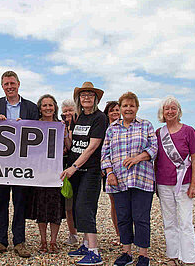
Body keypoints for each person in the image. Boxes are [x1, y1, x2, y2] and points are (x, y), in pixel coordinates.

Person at [0, 70, 39, 258]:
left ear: (18, 84)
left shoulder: (31, 107)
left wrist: (26, 125)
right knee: (0, 202)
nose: (9, 87)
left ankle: (19, 242)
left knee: (20, 202)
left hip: (22, 164)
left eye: (12, 83)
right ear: (2, 86)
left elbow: (38, 134)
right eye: (6, 84)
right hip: (0, 164)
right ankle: (0, 241)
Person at [101, 92, 157, 266]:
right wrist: (109, 173)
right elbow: (105, 153)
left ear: (137, 108)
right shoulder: (112, 129)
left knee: (141, 217)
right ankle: (126, 252)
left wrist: (137, 158)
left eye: (132, 105)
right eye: (125, 106)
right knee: (123, 217)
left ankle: (143, 254)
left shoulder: (146, 125)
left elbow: (154, 148)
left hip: (142, 179)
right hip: (119, 180)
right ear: (120, 108)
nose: (128, 108)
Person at [60, 82, 107, 265]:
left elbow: (92, 147)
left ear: (95, 99)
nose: (86, 97)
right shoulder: (79, 117)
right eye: (83, 95)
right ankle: (86, 244)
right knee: (78, 209)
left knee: (85, 208)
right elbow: (73, 144)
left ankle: (94, 252)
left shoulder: (99, 118)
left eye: (90, 94)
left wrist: (74, 167)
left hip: (90, 171)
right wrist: (66, 133)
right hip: (77, 170)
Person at [155, 96, 195, 265]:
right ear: (162, 112)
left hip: (185, 183)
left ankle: (188, 258)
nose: (170, 111)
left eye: (173, 108)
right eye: (167, 108)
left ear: (178, 111)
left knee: (185, 221)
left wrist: (194, 184)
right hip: (163, 183)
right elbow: (155, 159)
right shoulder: (159, 133)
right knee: (169, 221)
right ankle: (173, 255)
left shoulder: (188, 131)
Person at [27, 94, 66, 254]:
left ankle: (53, 241)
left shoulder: (60, 125)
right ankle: (43, 240)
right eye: (45, 105)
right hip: (39, 172)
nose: (48, 108)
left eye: (51, 105)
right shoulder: (35, 125)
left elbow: (67, 147)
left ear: (55, 107)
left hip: (56, 172)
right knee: (41, 208)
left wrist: (66, 134)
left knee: (55, 208)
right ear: (40, 108)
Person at [60, 99, 79, 246]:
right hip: (66, 168)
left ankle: (86, 234)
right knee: (69, 205)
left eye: (70, 110)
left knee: (82, 204)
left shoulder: (81, 125)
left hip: (81, 167)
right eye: (65, 111)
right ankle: (72, 233)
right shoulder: (61, 126)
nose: (67, 113)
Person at [102, 100, 121, 245]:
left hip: (124, 170)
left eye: (117, 110)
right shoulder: (104, 129)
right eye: (112, 110)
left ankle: (129, 233)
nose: (115, 113)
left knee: (126, 203)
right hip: (108, 170)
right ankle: (119, 234)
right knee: (114, 203)